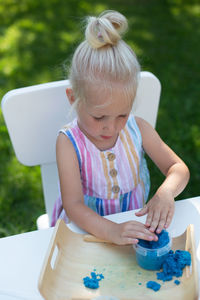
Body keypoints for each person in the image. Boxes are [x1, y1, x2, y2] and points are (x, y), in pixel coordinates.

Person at [51, 10, 190, 245]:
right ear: (73, 98)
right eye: (99, 116)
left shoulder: (138, 128)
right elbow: (73, 206)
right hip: (85, 235)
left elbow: (178, 168)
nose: (111, 127)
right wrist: (111, 231)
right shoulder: (69, 142)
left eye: (122, 115)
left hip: (132, 231)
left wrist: (166, 192)